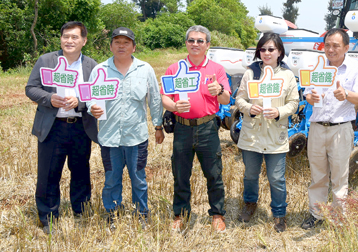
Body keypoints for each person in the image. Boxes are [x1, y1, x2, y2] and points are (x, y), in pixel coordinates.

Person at [25, 21, 98, 235]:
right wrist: (49, 98)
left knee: (81, 171)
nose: (69, 41)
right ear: (61, 39)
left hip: (80, 127)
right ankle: (48, 217)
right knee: (48, 173)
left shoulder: (92, 65)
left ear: (84, 41)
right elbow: (31, 88)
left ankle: (81, 212)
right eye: (66, 36)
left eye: (75, 37)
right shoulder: (46, 60)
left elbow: (96, 94)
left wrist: (81, 102)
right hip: (52, 126)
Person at [88, 27, 164, 227]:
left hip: (136, 137)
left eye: (126, 42)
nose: (121, 46)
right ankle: (112, 212)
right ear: (111, 46)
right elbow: (90, 98)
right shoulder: (100, 70)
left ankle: (142, 213)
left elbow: (154, 99)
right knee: (112, 179)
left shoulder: (145, 69)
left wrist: (158, 125)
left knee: (138, 178)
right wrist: (91, 107)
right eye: (117, 42)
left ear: (134, 47)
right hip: (109, 137)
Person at [161, 25, 231, 233]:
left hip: (208, 127)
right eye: (191, 40)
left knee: (213, 173)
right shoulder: (175, 69)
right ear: (186, 43)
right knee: (180, 173)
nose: (195, 44)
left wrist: (218, 90)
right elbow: (165, 96)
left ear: (208, 45)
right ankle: (181, 215)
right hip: (182, 128)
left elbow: (226, 98)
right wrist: (173, 107)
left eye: (200, 41)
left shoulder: (216, 69)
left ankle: (217, 214)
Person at [300, 28, 358, 229]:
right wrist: (309, 98)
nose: (331, 49)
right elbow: (307, 93)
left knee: (339, 176)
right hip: (317, 128)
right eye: (327, 45)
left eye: (336, 45)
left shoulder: (357, 68)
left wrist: (345, 94)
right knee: (317, 175)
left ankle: (339, 217)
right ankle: (316, 214)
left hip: (341, 128)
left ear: (346, 47)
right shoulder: (316, 67)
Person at [235, 32, 299, 233]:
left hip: (275, 135)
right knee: (251, 174)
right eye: (262, 49)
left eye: (271, 49)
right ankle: (250, 204)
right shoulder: (250, 73)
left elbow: (294, 103)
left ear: (279, 51)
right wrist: (248, 109)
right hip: (252, 135)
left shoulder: (287, 75)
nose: (266, 52)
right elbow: (240, 99)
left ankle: (279, 213)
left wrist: (280, 111)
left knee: (276, 178)